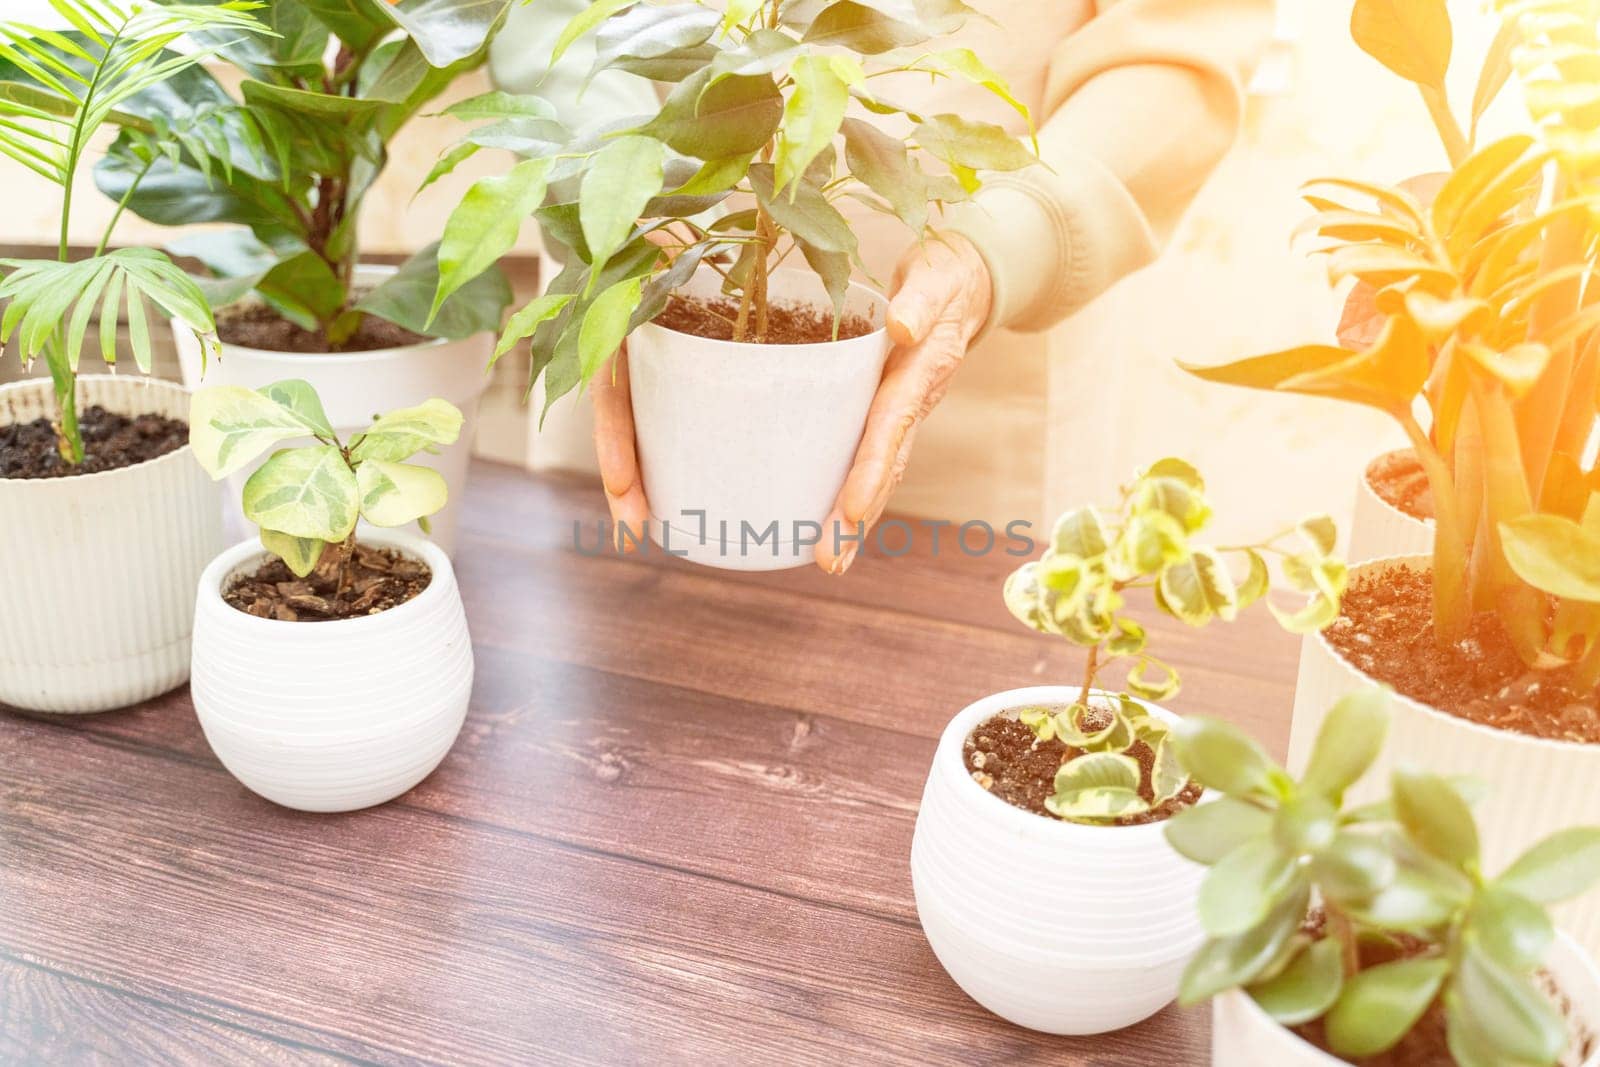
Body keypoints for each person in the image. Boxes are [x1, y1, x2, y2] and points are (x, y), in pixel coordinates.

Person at [491, 0, 1273, 573]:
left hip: (968, 401)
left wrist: (1007, 238)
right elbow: (548, 22)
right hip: (645, 328)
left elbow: (1181, 46)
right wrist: (611, 196)